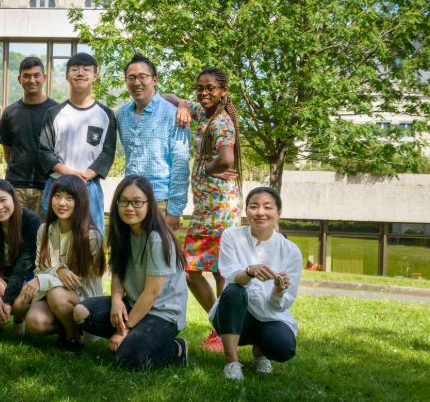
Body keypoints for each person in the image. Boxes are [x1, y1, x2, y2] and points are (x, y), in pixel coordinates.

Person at [73, 175, 189, 370]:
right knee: (80, 313)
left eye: (137, 202)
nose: (129, 208)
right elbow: (118, 271)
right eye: (124, 201)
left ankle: (176, 348)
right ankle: (136, 340)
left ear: (149, 204)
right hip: (132, 304)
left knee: (128, 360)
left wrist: (123, 330)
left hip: (162, 314)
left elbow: (152, 293)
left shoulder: (157, 239)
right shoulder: (123, 232)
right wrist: (117, 300)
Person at [178, 67, 243, 353]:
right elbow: (168, 96)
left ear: (223, 92)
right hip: (208, 207)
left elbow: (226, 158)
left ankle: (221, 329)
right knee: (213, 270)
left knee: (195, 269)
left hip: (218, 210)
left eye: (210, 88)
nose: (204, 93)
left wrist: (207, 168)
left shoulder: (221, 123)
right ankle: (223, 329)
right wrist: (181, 104)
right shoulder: (203, 113)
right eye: (200, 87)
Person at [210, 186, 301, 380]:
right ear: (246, 211)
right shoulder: (231, 236)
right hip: (233, 315)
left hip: (269, 315)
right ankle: (231, 360)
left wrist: (277, 292)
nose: (260, 212)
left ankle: (260, 352)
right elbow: (230, 274)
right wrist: (249, 272)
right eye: (254, 206)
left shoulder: (291, 251)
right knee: (235, 290)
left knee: (283, 348)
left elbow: (284, 302)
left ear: (279, 213)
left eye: (268, 207)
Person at [15, 174, 105, 352]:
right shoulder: (44, 229)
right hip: (51, 293)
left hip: (83, 297)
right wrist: (58, 270)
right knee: (35, 322)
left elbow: (76, 281)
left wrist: (43, 279)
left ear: (80, 201)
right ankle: (66, 328)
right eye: (57, 196)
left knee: (57, 294)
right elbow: (40, 268)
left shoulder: (91, 236)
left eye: (69, 198)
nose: (61, 203)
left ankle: (74, 338)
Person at [39, 52, 116, 234]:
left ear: (95, 76)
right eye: (75, 69)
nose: (80, 73)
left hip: (90, 186)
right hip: (58, 184)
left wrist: (86, 175)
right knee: (52, 236)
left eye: (86, 70)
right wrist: (68, 173)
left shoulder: (105, 114)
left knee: (92, 238)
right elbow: (44, 150)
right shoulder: (54, 113)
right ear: (67, 76)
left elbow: (108, 151)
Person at [117, 53, 190, 231]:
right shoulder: (122, 114)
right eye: (131, 78)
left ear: (154, 80)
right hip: (130, 202)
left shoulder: (173, 114)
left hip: (161, 202)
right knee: (131, 257)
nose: (137, 82)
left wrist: (175, 210)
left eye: (143, 77)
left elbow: (181, 165)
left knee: (160, 257)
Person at [0, 179, 43, 336]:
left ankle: (19, 319)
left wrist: (6, 300)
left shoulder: (31, 220)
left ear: (13, 198)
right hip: (1, 277)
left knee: (21, 300)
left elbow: (24, 263)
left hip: (25, 278)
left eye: (3, 200)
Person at [0, 57, 57, 217]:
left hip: (48, 185)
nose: (32, 80)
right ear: (19, 79)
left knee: (45, 236)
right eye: (27, 76)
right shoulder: (10, 113)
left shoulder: (57, 111)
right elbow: (7, 151)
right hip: (16, 185)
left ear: (44, 78)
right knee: (16, 235)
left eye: (36, 75)